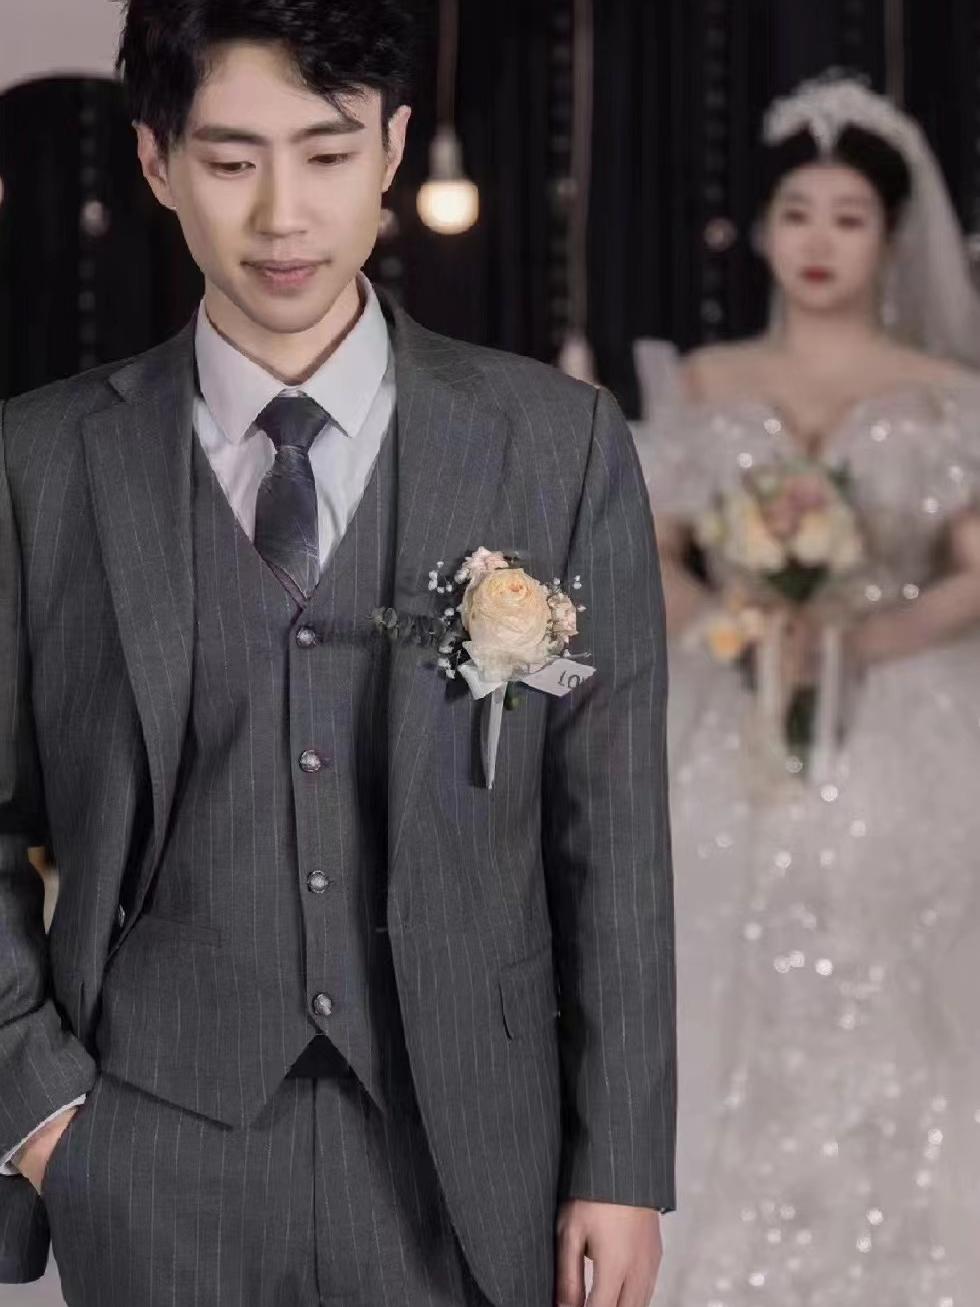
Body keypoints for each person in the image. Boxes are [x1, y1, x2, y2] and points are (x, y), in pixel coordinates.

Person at [0, 2, 676, 1304]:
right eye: (231, 159)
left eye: (325, 152)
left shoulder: (559, 441)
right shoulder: (38, 465)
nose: (282, 216)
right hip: (149, 1149)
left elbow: (612, 833)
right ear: (156, 162)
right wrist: (43, 1113)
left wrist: (623, 1162)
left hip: (471, 1145)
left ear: (393, 149)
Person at [632, 74, 980, 1305]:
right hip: (733, 713)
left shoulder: (942, 388)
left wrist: (861, 637)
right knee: (719, 960)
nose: (817, 240)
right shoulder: (705, 381)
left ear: (888, 234)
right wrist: (744, 632)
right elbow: (653, 555)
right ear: (761, 229)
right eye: (795, 212)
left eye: (846, 216)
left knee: (899, 972)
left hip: (900, 717)